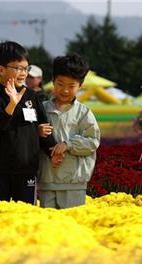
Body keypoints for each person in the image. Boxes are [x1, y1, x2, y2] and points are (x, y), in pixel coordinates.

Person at [0, 41, 56, 204]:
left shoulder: (31, 95)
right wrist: (12, 103)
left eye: (26, 68)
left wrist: (52, 150)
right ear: (1, 70)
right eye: (18, 68)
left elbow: (44, 126)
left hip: (26, 168)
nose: (23, 73)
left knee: (27, 215)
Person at [37, 54, 100, 209]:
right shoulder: (41, 109)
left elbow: (93, 141)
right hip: (47, 181)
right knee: (47, 227)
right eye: (60, 84)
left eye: (71, 86)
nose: (65, 90)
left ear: (80, 85)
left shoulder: (84, 113)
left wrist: (69, 144)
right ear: (52, 81)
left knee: (72, 226)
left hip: (74, 183)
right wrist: (36, 133)